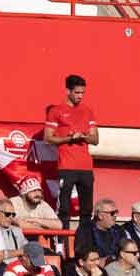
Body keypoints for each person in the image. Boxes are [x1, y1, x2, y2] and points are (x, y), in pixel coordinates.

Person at [45, 75, 97, 230]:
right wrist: (69, 139)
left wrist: (83, 137)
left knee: (87, 210)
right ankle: (61, 246)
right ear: (68, 91)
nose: (80, 96)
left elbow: (95, 139)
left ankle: (85, 246)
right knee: (64, 208)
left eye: (82, 93)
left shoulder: (88, 111)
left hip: (86, 167)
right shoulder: (56, 111)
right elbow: (48, 138)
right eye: (77, 93)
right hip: (66, 166)